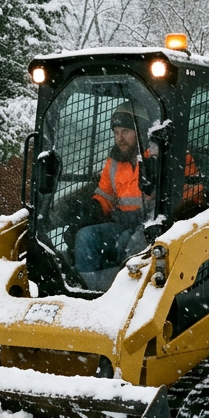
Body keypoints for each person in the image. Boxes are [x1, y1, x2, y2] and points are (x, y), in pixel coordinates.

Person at [74, 106, 153, 288]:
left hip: (152, 225)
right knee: (85, 236)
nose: (120, 138)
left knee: (132, 241)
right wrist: (92, 209)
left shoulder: (162, 157)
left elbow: (188, 193)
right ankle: (91, 290)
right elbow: (105, 195)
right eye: (116, 132)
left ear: (140, 131)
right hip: (122, 223)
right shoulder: (114, 161)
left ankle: (127, 292)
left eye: (125, 131)